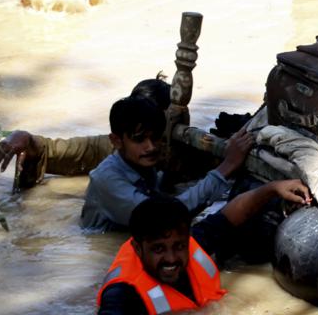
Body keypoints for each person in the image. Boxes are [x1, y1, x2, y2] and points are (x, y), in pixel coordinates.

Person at [98, 188, 311, 315]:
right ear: (137, 248)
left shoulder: (193, 241)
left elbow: (230, 215)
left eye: (179, 246)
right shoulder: (123, 288)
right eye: (158, 249)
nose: (171, 258)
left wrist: (273, 188)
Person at [80, 95, 257, 231]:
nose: (150, 147)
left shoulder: (141, 165)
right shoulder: (106, 179)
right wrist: (226, 167)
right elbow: (164, 218)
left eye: (155, 137)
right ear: (116, 141)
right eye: (139, 139)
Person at [0, 78, 171, 190]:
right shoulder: (112, 151)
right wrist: (24, 138)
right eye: (139, 135)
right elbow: (53, 151)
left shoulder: (187, 151)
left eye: (155, 133)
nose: (150, 145)